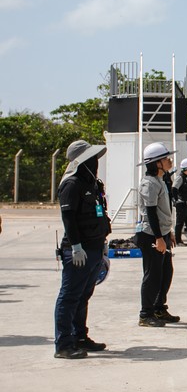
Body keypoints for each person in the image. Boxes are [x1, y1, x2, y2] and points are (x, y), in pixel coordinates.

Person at [53, 140, 112, 359]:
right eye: (91, 158)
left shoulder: (92, 184)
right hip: (79, 250)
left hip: (95, 248)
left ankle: (80, 336)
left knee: (84, 296)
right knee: (70, 297)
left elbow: (99, 213)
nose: (95, 162)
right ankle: (63, 344)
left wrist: (103, 244)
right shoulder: (71, 184)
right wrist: (76, 247)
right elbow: (68, 218)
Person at [136, 142, 180, 327]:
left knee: (166, 272)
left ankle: (159, 308)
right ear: (156, 163)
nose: (170, 161)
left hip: (162, 233)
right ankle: (146, 314)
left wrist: (168, 232)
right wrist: (159, 238)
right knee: (152, 275)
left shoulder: (160, 180)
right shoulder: (149, 183)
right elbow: (151, 213)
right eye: (166, 158)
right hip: (151, 235)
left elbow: (163, 211)